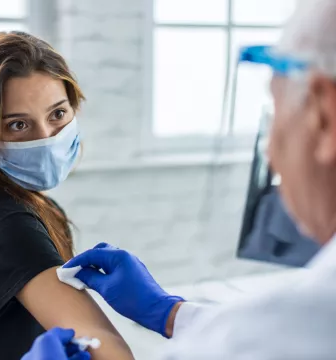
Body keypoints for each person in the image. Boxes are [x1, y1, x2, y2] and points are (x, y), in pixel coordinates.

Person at [22, 0, 336, 358]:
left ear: (324, 117)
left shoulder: (283, 330)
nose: (271, 152)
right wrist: (170, 313)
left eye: (276, 111)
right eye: (18, 124)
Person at [0, 31, 133, 360]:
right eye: (18, 125)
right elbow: (108, 350)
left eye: (58, 114)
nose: (47, 138)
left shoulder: (34, 206)